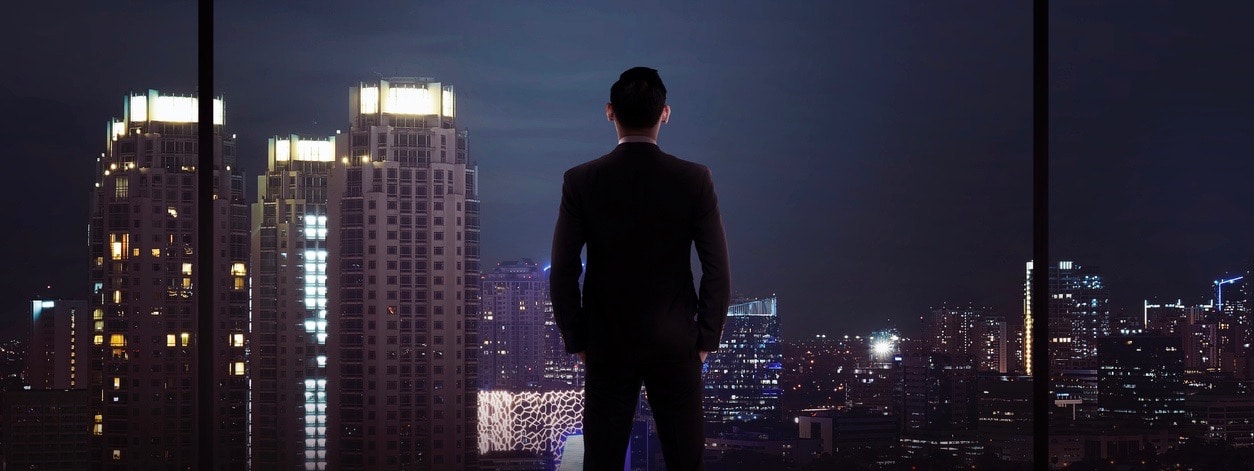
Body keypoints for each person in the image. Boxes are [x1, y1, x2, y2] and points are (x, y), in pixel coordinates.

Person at [550, 66, 731, 470]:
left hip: (607, 344)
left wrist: (578, 338)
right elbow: (716, 268)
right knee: (686, 461)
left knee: (602, 460)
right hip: (676, 342)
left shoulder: (581, 181)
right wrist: (705, 340)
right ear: (664, 113)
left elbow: (563, 269)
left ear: (609, 112)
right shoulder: (694, 179)